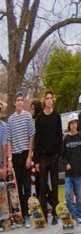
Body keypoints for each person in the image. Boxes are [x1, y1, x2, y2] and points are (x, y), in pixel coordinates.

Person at [31, 90, 62, 221]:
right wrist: (36, 160)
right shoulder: (39, 118)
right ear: (44, 101)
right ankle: (44, 213)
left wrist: (59, 154)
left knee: (54, 185)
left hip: (54, 155)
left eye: (51, 98)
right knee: (43, 186)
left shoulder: (56, 115)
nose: (49, 100)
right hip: (43, 157)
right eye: (47, 98)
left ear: (53, 100)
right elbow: (37, 140)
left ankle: (55, 213)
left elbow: (59, 135)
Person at [7, 93, 34, 223]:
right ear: (14, 103)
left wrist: (30, 155)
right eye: (18, 100)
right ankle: (23, 214)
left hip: (25, 153)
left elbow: (31, 136)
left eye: (21, 100)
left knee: (28, 185)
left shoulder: (28, 116)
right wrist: (10, 159)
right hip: (16, 155)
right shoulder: (11, 120)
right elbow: (9, 140)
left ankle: (30, 212)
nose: (20, 102)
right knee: (19, 187)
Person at [61, 117, 81, 223]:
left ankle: (79, 215)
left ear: (77, 124)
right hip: (68, 173)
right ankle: (71, 214)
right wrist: (66, 164)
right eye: (71, 123)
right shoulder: (66, 139)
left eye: (75, 123)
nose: (73, 125)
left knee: (78, 195)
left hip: (78, 171)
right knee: (67, 193)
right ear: (69, 125)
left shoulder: (80, 137)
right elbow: (62, 156)